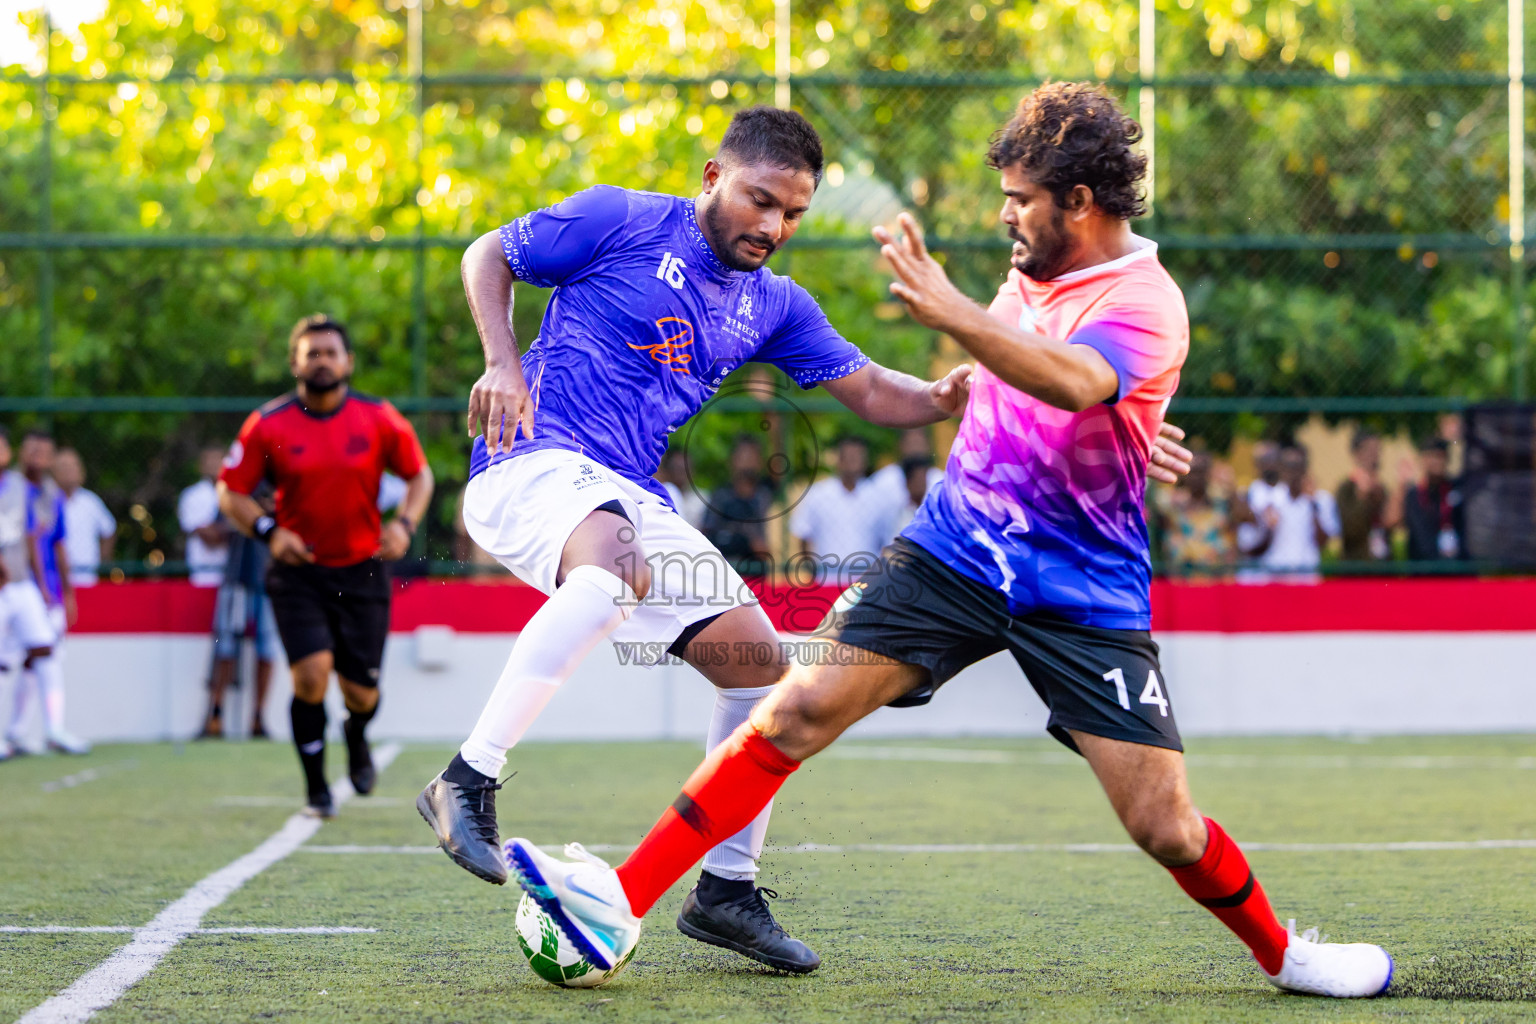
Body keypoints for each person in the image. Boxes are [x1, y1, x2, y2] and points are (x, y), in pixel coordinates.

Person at [510, 83, 1392, 1000]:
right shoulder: (1034, 269)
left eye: (1021, 199)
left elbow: (1083, 377)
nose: (1007, 214)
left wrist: (964, 317)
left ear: (1080, 205)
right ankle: (621, 900)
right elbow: (1040, 382)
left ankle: (1286, 954)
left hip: (1079, 585)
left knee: (1162, 823)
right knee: (795, 709)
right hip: (952, 549)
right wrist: (1125, 421)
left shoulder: (1148, 299)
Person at [416, 104, 1192, 974]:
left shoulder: (772, 302)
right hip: (531, 462)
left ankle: (726, 891)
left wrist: (942, 398)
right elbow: (488, 253)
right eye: (759, 201)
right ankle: (467, 779)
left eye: (793, 214)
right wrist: (501, 361)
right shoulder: (621, 217)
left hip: (626, 496)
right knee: (612, 572)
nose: (773, 227)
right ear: (714, 178)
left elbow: (867, 389)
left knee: (759, 670)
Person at [218, 315, 434, 817]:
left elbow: (420, 476)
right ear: (294, 362)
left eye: (330, 352)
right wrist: (270, 532)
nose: (321, 361)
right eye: (310, 353)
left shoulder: (379, 418)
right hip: (298, 572)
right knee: (311, 676)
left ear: (348, 362)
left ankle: (356, 735)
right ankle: (316, 787)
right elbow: (230, 491)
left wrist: (403, 524)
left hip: (363, 570)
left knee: (361, 693)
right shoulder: (267, 424)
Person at [0, 430, 87, 756]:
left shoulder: (31, 491)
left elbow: (33, 539)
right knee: (5, 661)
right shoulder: (15, 485)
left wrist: (53, 590)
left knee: (44, 652)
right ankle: (13, 734)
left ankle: (53, 730)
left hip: (23, 584)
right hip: (7, 585)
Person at [199, 485, 280, 740]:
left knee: (267, 650)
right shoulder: (236, 490)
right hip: (236, 580)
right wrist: (243, 518)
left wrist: (271, 514)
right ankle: (215, 713)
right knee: (224, 647)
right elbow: (215, 533)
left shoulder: (279, 491)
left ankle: (258, 717)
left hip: (267, 581)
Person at [789, 435, 889, 586]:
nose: (852, 462)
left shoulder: (878, 496)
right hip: (827, 581)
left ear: (865, 460)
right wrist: (812, 571)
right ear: (839, 460)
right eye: (848, 457)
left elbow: (885, 541)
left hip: (866, 583)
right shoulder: (818, 494)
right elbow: (803, 534)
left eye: (857, 456)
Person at [1240, 446, 1340, 576]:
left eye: (1297, 467)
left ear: (1305, 469)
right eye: (1289, 467)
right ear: (1281, 470)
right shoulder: (1270, 500)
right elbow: (1258, 546)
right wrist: (1269, 526)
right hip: (1277, 575)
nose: (1293, 473)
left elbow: (1323, 543)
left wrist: (1313, 506)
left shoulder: (1320, 500)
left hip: (1306, 575)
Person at [699, 434, 776, 581]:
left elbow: (765, 549)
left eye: (752, 456)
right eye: (743, 456)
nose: (747, 463)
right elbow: (705, 533)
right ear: (732, 460)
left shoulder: (765, 494)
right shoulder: (720, 496)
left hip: (756, 573)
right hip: (723, 572)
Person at [1153, 451, 1236, 572]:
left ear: (1208, 474)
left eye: (1201, 472)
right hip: (1181, 581)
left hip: (1215, 581)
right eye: (1192, 472)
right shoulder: (1172, 509)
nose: (1196, 477)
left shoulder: (1222, 507)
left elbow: (1230, 545)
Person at [55, 447, 116, 588]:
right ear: (54, 471)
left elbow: (109, 530)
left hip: (87, 580)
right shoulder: (47, 500)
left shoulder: (90, 501)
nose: (70, 471)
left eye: (74, 466)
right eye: (64, 466)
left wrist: (102, 564)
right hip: (56, 582)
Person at [1335, 430, 1396, 562]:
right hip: (1356, 569)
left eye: (1377, 449)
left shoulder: (1382, 489)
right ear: (1356, 454)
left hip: (1382, 570)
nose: (1374, 454)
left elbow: (1390, 524)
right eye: (1368, 449)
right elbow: (1349, 531)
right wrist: (1362, 496)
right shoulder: (1346, 489)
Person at [1400, 438, 1463, 561]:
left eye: (1440, 456)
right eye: (1431, 457)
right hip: (1424, 570)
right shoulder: (1413, 495)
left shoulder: (1457, 490)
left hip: (1455, 569)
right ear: (1422, 460)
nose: (1436, 462)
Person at [179, 446, 231, 588]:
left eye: (219, 460)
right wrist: (233, 529)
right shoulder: (192, 495)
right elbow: (209, 536)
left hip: (235, 576)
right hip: (203, 575)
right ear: (201, 466)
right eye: (210, 461)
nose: (215, 464)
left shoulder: (237, 494)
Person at [655, 448, 706, 528]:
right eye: (678, 469)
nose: (682, 474)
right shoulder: (668, 491)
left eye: (686, 469)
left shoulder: (701, 498)